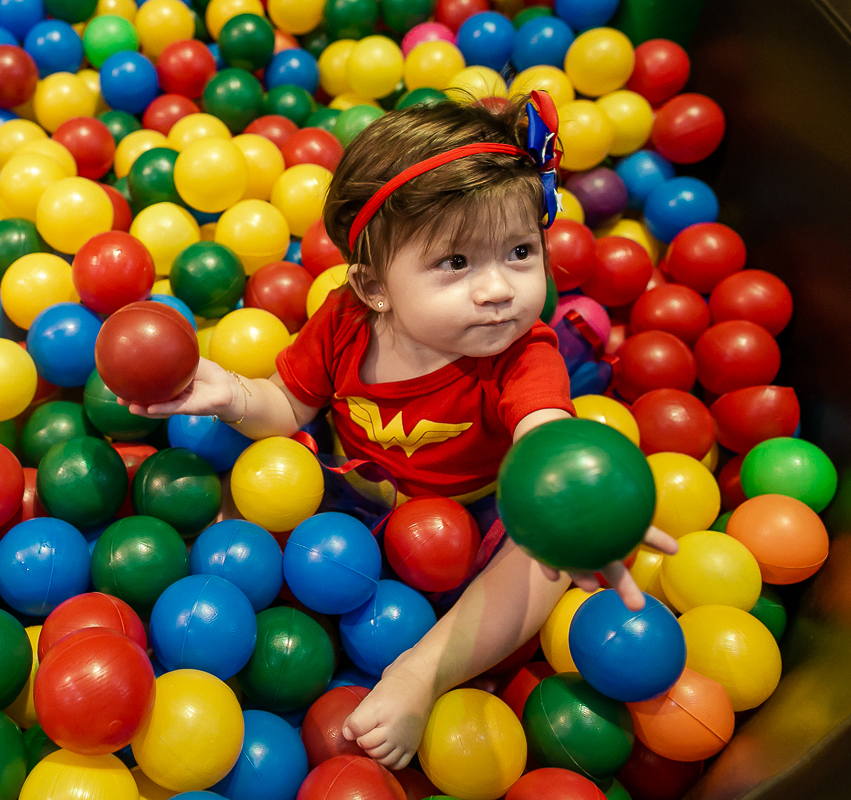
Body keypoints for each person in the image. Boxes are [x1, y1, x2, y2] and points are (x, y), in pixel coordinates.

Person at [118, 91, 678, 770]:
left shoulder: (523, 355)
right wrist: (232, 394)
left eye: (520, 251)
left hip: (479, 509)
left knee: (543, 564)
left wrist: (582, 515)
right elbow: (291, 405)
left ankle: (424, 671)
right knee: (239, 504)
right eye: (456, 264)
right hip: (356, 494)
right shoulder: (344, 320)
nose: (498, 288)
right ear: (373, 286)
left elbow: (543, 435)